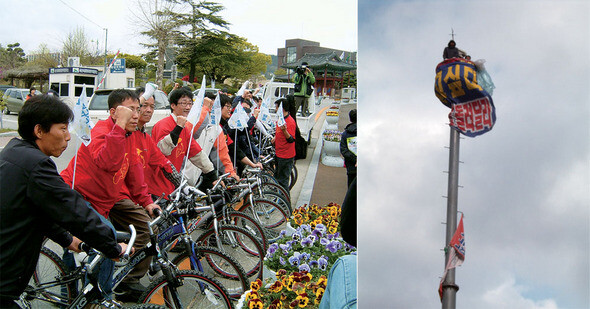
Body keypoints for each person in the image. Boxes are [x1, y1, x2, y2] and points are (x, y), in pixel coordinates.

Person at [0, 95, 128, 308]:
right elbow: (74, 211)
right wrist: (112, 247)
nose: (68, 137)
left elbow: (38, 212)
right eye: (62, 129)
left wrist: (68, 240)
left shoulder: (14, 152)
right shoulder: (37, 165)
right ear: (39, 131)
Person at [60, 89, 159, 299]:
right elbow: (109, 163)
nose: (136, 114)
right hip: (78, 195)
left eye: (137, 109)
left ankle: (87, 292)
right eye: (130, 110)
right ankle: (91, 298)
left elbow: (134, 173)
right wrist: (119, 128)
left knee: (91, 248)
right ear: (114, 112)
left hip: (103, 201)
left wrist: (146, 202)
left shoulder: (129, 136)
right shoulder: (101, 131)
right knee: (103, 240)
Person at [111, 87, 181, 301]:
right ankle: (126, 281)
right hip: (115, 197)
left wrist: (179, 181)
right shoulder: (122, 134)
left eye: (151, 106)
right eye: (142, 106)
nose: (147, 110)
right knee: (147, 230)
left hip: (134, 196)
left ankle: (133, 270)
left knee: (152, 227)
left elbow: (159, 159)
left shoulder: (141, 135)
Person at [151, 87, 219, 191]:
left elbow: (197, 153)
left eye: (190, 103)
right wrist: (178, 128)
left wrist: (212, 175)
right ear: (173, 105)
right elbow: (163, 150)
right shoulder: (163, 125)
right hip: (158, 184)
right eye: (183, 103)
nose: (188, 107)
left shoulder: (185, 128)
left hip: (173, 183)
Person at [219, 94, 263, 174]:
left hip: (230, 163)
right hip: (219, 168)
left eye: (230, 107)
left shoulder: (224, 126)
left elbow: (233, 147)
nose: (229, 110)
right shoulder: (221, 126)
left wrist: (253, 161)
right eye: (227, 107)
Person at [272, 98, 296, 191]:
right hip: (279, 153)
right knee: (277, 179)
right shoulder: (280, 119)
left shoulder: (290, 122)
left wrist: (285, 130)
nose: (275, 109)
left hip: (286, 156)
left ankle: (284, 203)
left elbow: (291, 139)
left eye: (277, 107)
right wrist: (275, 138)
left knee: (283, 182)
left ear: (282, 108)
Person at [340, 109, 357, 187]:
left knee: (351, 188)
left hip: (351, 166)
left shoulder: (346, 134)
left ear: (350, 119)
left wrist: (354, 159)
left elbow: (344, 150)